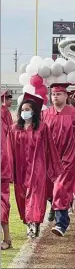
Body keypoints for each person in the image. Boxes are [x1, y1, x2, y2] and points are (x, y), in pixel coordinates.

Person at [6, 93, 62, 238]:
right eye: (23, 109)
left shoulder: (43, 128)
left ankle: (34, 223)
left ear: (34, 111)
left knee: (36, 196)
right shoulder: (14, 129)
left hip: (38, 168)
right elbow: (9, 151)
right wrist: (9, 171)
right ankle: (28, 222)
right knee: (22, 197)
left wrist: (53, 168)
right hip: (21, 169)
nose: (25, 112)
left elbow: (50, 148)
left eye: (28, 109)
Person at [42, 83, 75, 236]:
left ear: (66, 96)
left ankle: (61, 223)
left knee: (60, 188)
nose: (55, 96)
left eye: (59, 94)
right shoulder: (45, 114)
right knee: (51, 189)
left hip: (68, 157)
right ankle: (57, 210)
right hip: (49, 158)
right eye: (53, 94)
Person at [1, 90, 13, 250]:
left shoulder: (3, 113)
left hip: (2, 164)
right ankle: (7, 237)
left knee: (2, 202)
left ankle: (7, 237)